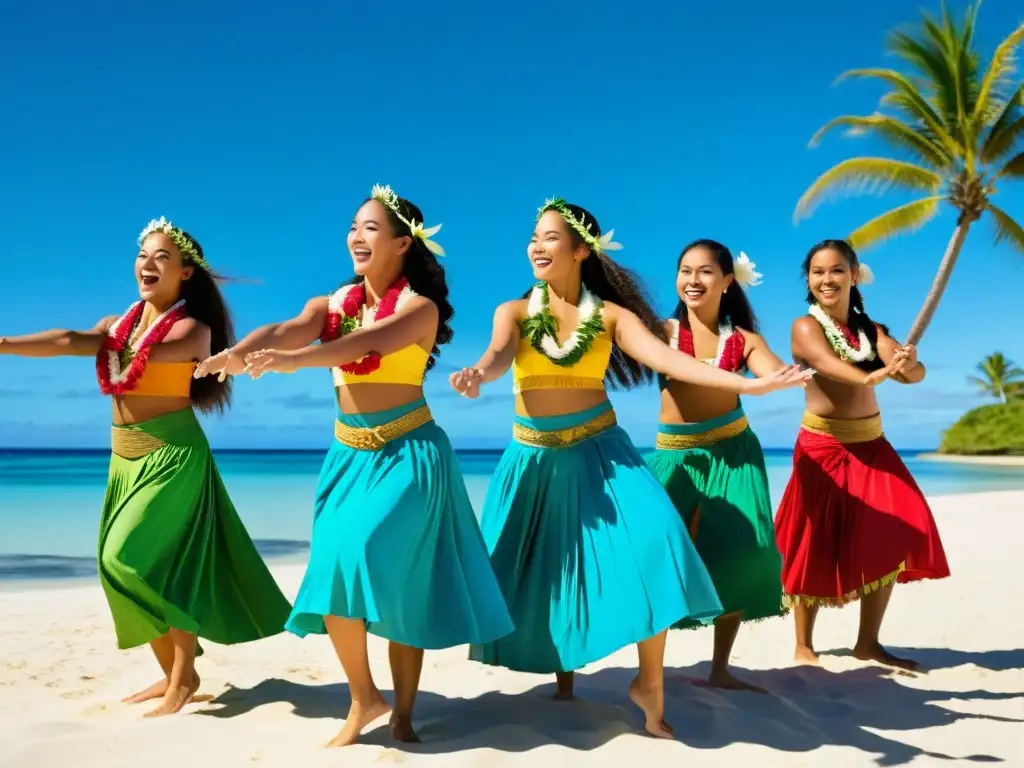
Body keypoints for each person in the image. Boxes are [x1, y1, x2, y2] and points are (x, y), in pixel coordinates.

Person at [449, 199, 810, 738]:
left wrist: (748, 384)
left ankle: (650, 686)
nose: (536, 246)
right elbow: (499, 353)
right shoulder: (516, 311)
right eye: (534, 237)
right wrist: (479, 372)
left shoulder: (613, 317)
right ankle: (563, 671)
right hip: (536, 457)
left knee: (657, 539)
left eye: (550, 238)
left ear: (579, 250)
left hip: (603, 450)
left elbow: (670, 361)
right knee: (548, 566)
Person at [195, 184, 513, 748]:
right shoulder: (333, 303)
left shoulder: (419, 309)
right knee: (336, 566)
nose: (356, 236)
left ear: (401, 244)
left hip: (410, 455)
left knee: (393, 573)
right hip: (347, 457)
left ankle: (405, 711)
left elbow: (361, 344)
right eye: (353, 226)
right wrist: (239, 352)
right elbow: (286, 329)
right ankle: (366, 696)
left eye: (370, 228)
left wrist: (294, 360)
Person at [0, 218, 291, 717]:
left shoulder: (192, 330)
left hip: (171, 456)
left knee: (125, 559)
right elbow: (70, 339)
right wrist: (5, 344)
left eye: (161, 257)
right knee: (117, 567)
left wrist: (106, 341)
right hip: (122, 458)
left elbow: (150, 353)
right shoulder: (118, 322)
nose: (147, 264)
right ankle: (173, 673)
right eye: (143, 255)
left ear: (185, 274)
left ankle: (183, 677)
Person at [774, 238, 950, 671]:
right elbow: (822, 361)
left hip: (872, 444)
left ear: (854, 275)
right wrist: (868, 377)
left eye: (836, 270)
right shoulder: (804, 326)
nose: (826, 279)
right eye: (817, 272)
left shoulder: (871, 332)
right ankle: (803, 645)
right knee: (815, 538)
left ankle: (867, 642)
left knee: (900, 524)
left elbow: (914, 374)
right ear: (809, 280)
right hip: (823, 445)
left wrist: (905, 362)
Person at [645, 239, 787, 693]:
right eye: (685, 270)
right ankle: (651, 674)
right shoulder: (660, 331)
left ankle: (721, 667)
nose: (693, 280)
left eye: (705, 272)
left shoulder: (744, 339)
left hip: (734, 452)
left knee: (746, 553)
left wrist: (780, 375)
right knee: (661, 556)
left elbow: (768, 368)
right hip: (674, 457)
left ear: (727, 281)